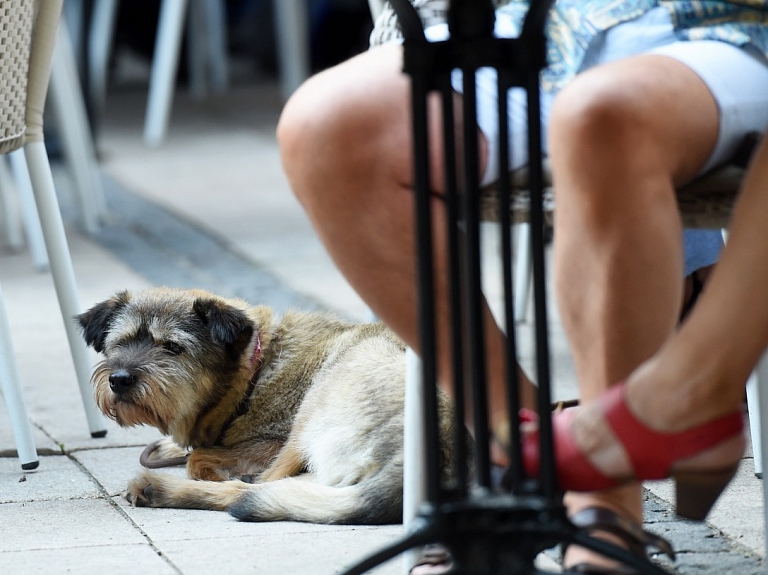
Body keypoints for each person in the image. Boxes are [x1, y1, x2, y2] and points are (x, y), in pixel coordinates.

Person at [277, 1, 768, 572]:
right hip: (556, 25)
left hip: (723, 29)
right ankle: (520, 444)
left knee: (600, 115)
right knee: (326, 126)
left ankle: (604, 507)